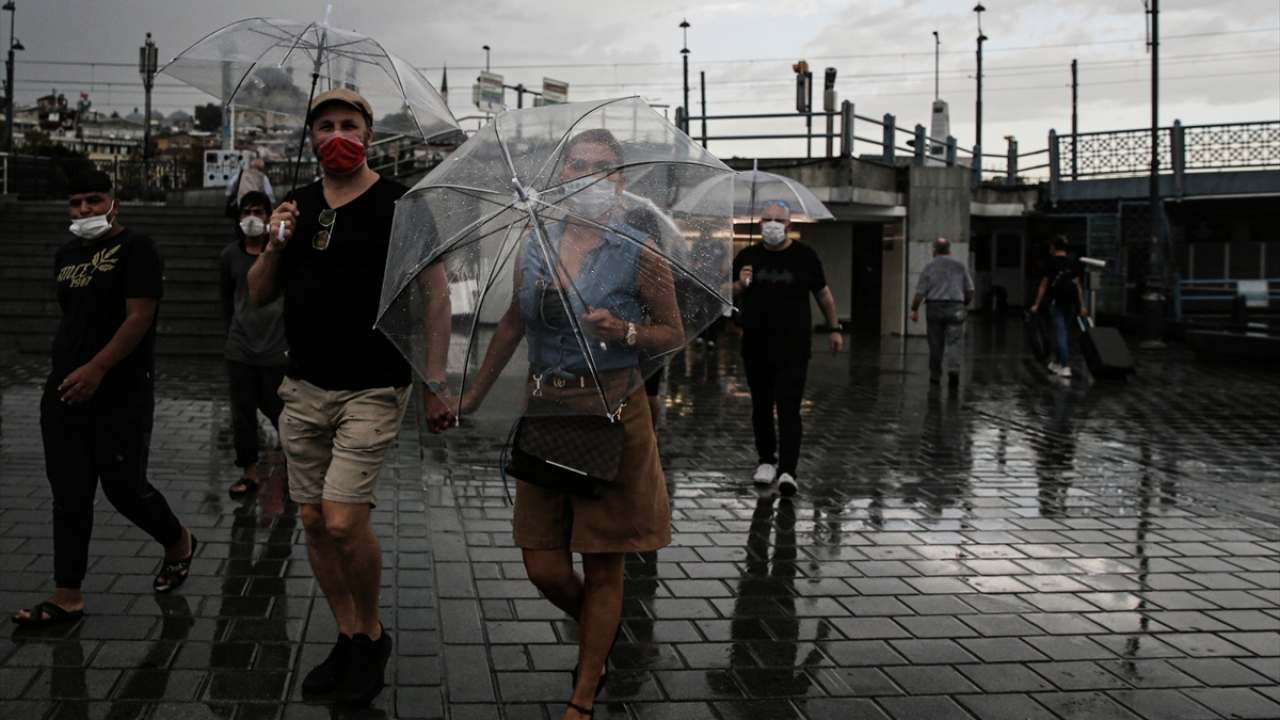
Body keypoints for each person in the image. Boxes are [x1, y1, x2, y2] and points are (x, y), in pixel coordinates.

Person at [455, 128, 681, 720]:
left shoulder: (639, 249)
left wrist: (625, 330)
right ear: (560, 176)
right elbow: (513, 321)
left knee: (604, 561)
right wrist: (473, 395)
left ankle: (583, 693)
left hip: (613, 411)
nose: (587, 175)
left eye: (602, 167)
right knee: (544, 565)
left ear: (620, 181)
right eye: (577, 165)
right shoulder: (536, 242)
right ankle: (601, 633)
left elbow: (671, 332)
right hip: (547, 409)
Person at [250, 88, 451, 708]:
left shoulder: (403, 205)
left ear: (369, 135)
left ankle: (371, 635)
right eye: (325, 126)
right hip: (303, 385)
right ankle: (347, 634)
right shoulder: (296, 206)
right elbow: (258, 295)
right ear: (311, 138)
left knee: (342, 519)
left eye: (349, 125)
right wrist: (275, 241)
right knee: (312, 520)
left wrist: (435, 383)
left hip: (373, 384)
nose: (337, 135)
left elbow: (436, 296)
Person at [12, 171, 195, 629]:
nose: (84, 210)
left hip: (120, 392)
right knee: (69, 496)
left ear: (115, 203)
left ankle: (178, 540)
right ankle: (67, 595)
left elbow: (139, 317)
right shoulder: (66, 254)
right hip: (64, 390)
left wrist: (97, 368)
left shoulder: (137, 248)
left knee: (124, 490)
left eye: (94, 200)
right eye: (76, 203)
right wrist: (73, 369)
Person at [732, 200, 842, 497]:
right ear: (759, 223)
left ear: (789, 225)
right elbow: (727, 293)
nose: (772, 224)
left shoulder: (805, 256)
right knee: (761, 407)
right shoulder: (747, 256)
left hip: (793, 347)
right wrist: (740, 284)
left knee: (789, 408)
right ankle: (766, 460)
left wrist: (834, 328)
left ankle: (788, 470)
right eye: (767, 219)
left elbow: (823, 294)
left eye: (778, 220)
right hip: (756, 346)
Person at [220, 190, 288, 497]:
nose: (251, 218)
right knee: (242, 414)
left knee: (280, 411)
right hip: (240, 348)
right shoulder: (229, 256)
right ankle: (249, 471)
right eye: (245, 212)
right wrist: (232, 335)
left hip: (276, 348)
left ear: (269, 215)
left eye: (258, 211)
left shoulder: (281, 254)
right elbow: (226, 300)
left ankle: (292, 463)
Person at [910, 237, 975, 387]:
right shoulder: (960, 266)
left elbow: (920, 292)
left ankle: (935, 374)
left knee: (935, 342)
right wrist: (965, 303)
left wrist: (914, 309)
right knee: (955, 340)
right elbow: (970, 290)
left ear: (934, 252)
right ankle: (954, 370)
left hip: (934, 307)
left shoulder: (929, 267)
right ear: (950, 251)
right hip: (956, 307)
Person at [1030, 235, 1087, 378]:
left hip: (1056, 303)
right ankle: (1057, 362)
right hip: (1071, 303)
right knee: (1063, 332)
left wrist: (1036, 304)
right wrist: (1082, 305)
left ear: (1053, 248)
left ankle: (1066, 365)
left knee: (1060, 334)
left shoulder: (1050, 263)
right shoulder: (1073, 263)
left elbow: (1043, 285)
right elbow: (1078, 286)